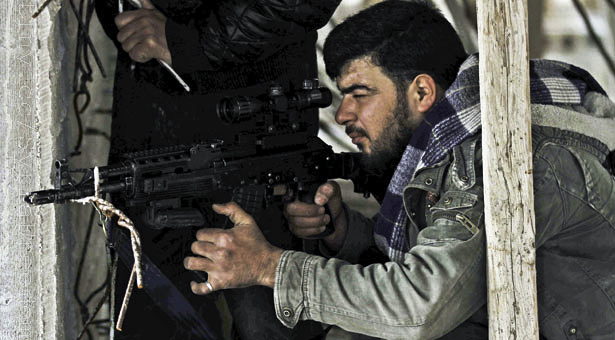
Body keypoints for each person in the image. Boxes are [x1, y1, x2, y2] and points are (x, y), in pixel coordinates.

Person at [183, 0, 615, 339]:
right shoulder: (460, 138)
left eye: (359, 93)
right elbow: (445, 252)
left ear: (423, 91)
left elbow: (419, 306)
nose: (343, 113)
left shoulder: (507, 155)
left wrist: (269, 266)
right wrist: (343, 233)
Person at [94, 0, 340, 339]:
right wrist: (138, 27)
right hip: (155, 130)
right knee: (152, 320)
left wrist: (187, 43)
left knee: (267, 321)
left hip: (259, 126)